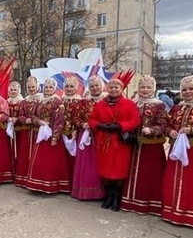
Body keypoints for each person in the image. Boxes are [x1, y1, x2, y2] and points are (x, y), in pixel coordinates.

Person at [89, 78, 140, 211]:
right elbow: (92, 119)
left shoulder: (129, 104)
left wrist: (120, 126)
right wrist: (99, 125)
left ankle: (116, 198)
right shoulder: (100, 104)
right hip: (104, 141)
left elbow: (135, 121)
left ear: (121, 89)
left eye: (116, 87)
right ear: (107, 89)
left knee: (119, 170)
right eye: (111, 87)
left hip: (120, 142)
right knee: (105, 170)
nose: (113, 90)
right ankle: (108, 196)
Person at [161, 75, 193, 228]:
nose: (187, 92)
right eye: (184, 89)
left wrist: (192, 129)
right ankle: (171, 212)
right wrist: (170, 131)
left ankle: (192, 215)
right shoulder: (177, 107)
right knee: (173, 180)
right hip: (175, 150)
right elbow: (167, 124)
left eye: (191, 89)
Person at [121, 75, 167, 215]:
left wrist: (152, 130)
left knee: (149, 174)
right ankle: (130, 201)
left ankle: (149, 204)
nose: (145, 90)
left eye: (148, 87)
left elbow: (163, 124)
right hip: (133, 144)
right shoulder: (132, 103)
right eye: (142, 87)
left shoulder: (159, 104)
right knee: (130, 171)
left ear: (153, 88)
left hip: (151, 146)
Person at [24, 77, 70, 193]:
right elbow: (33, 114)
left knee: (51, 161)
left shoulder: (57, 101)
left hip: (51, 135)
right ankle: (37, 184)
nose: (48, 89)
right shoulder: (40, 100)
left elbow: (59, 120)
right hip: (41, 133)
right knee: (39, 160)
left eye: (50, 87)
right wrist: (38, 121)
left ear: (54, 88)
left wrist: (55, 136)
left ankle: (51, 184)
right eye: (46, 87)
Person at [71, 75, 106, 200]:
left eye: (97, 85)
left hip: (103, 136)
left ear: (102, 86)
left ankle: (103, 192)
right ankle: (85, 191)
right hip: (86, 136)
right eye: (92, 86)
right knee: (87, 164)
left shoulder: (108, 100)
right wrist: (83, 124)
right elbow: (75, 118)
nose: (95, 88)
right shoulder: (83, 102)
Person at [14, 76, 42, 187]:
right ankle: (23, 178)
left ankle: (35, 178)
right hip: (27, 130)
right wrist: (26, 120)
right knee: (25, 154)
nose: (31, 89)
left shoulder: (42, 99)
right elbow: (20, 115)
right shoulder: (24, 101)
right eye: (29, 87)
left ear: (37, 86)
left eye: (33, 86)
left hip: (38, 130)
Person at [6, 81, 24, 172]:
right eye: (11, 90)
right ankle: (10, 170)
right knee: (9, 150)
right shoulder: (6, 102)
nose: (13, 92)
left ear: (19, 91)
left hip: (19, 129)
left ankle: (19, 171)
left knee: (19, 150)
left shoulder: (22, 102)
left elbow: (24, 114)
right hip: (8, 128)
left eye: (15, 90)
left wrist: (17, 119)